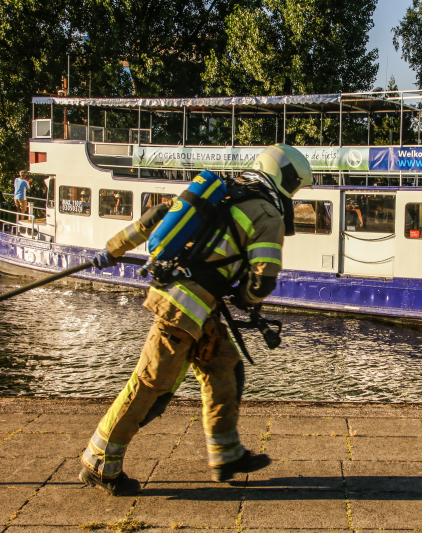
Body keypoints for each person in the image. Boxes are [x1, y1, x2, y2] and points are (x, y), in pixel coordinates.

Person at [79, 144, 313, 497]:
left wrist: (110, 251)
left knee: (223, 367)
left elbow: (157, 216)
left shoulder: (224, 193)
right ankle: (99, 461)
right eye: (295, 186)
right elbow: (263, 279)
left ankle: (226, 454)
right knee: (150, 383)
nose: (293, 194)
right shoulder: (268, 214)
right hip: (183, 309)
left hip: (192, 303)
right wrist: (248, 298)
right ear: (286, 179)